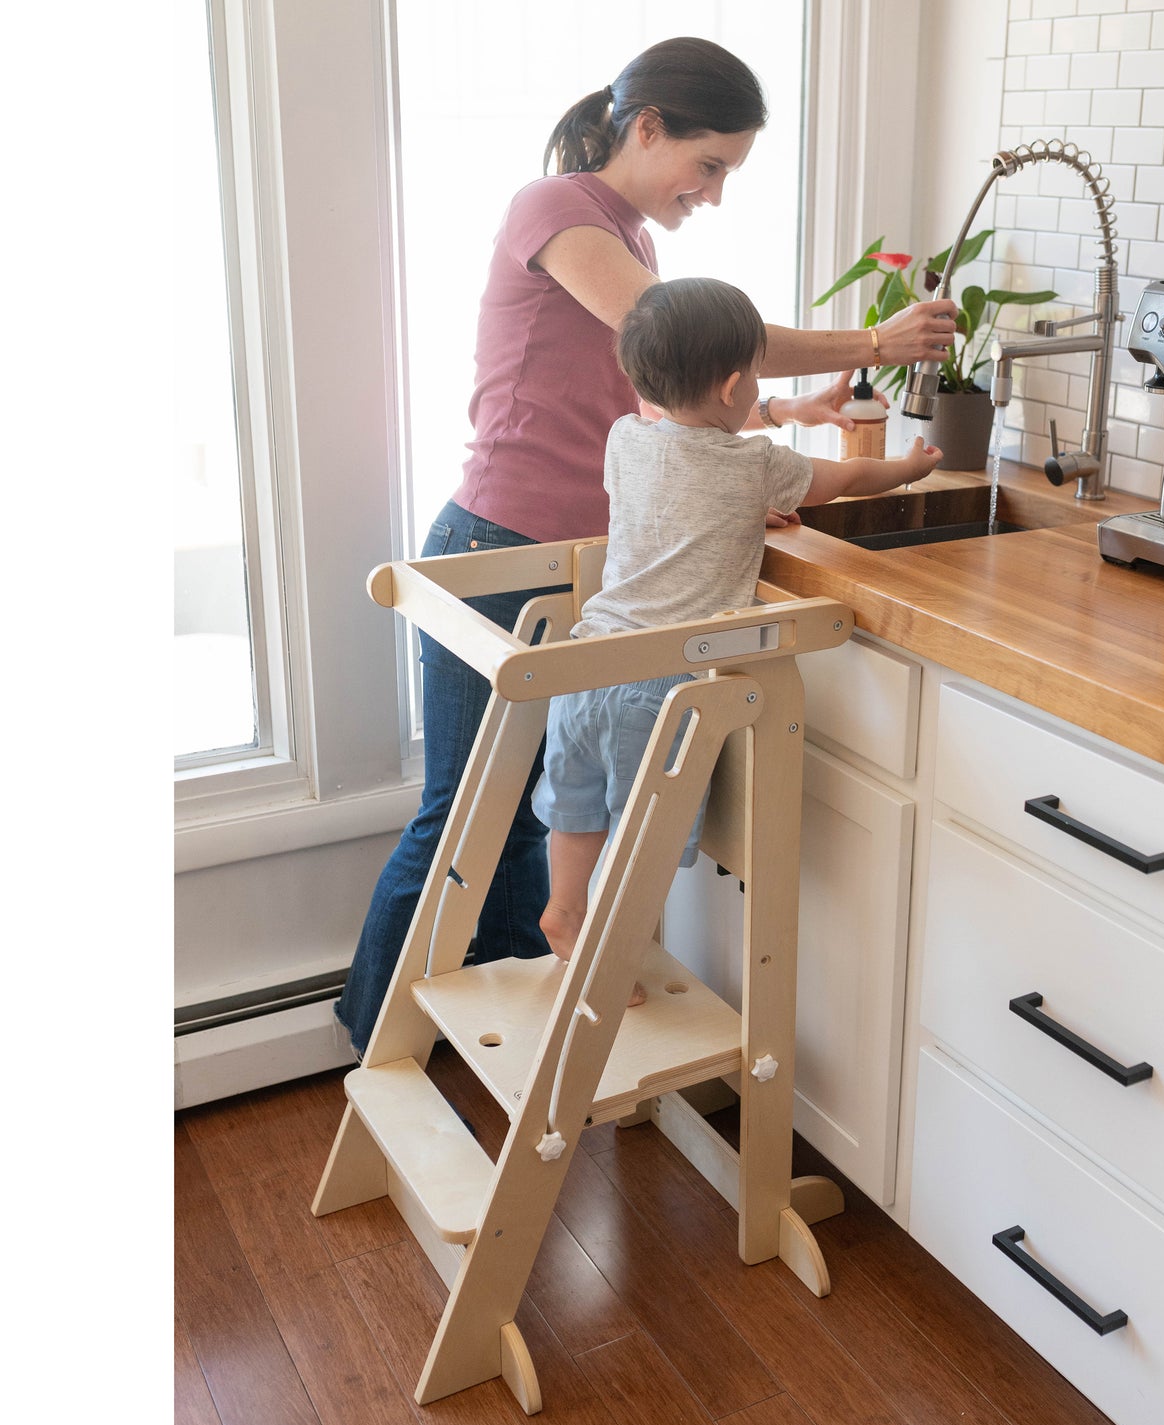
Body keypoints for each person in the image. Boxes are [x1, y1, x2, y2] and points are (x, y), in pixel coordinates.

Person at [335, 36, 959, 1056]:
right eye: (708, 164)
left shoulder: (631, 237)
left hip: (574, 562)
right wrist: (872, 342)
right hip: (496, 544)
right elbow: (695, 344)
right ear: (648, 127)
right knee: (462, 814)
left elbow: (665, 403)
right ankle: (379, 1041)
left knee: (537, 818)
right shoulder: (555, 212)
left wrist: (777, 415)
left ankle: (504, 1026)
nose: (711, 192)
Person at [532, 277, 942, 1005]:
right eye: (755, 373)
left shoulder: (624, 441)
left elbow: (674, 494)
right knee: (642, 836)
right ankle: (612, 953)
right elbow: (844, 478)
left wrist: (741, 510)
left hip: (585, 664)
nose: (759, 386)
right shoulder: (757, 465)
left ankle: (565, 909)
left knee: (577, 808)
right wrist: (908, 468)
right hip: (659, 688)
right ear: (732, 388)